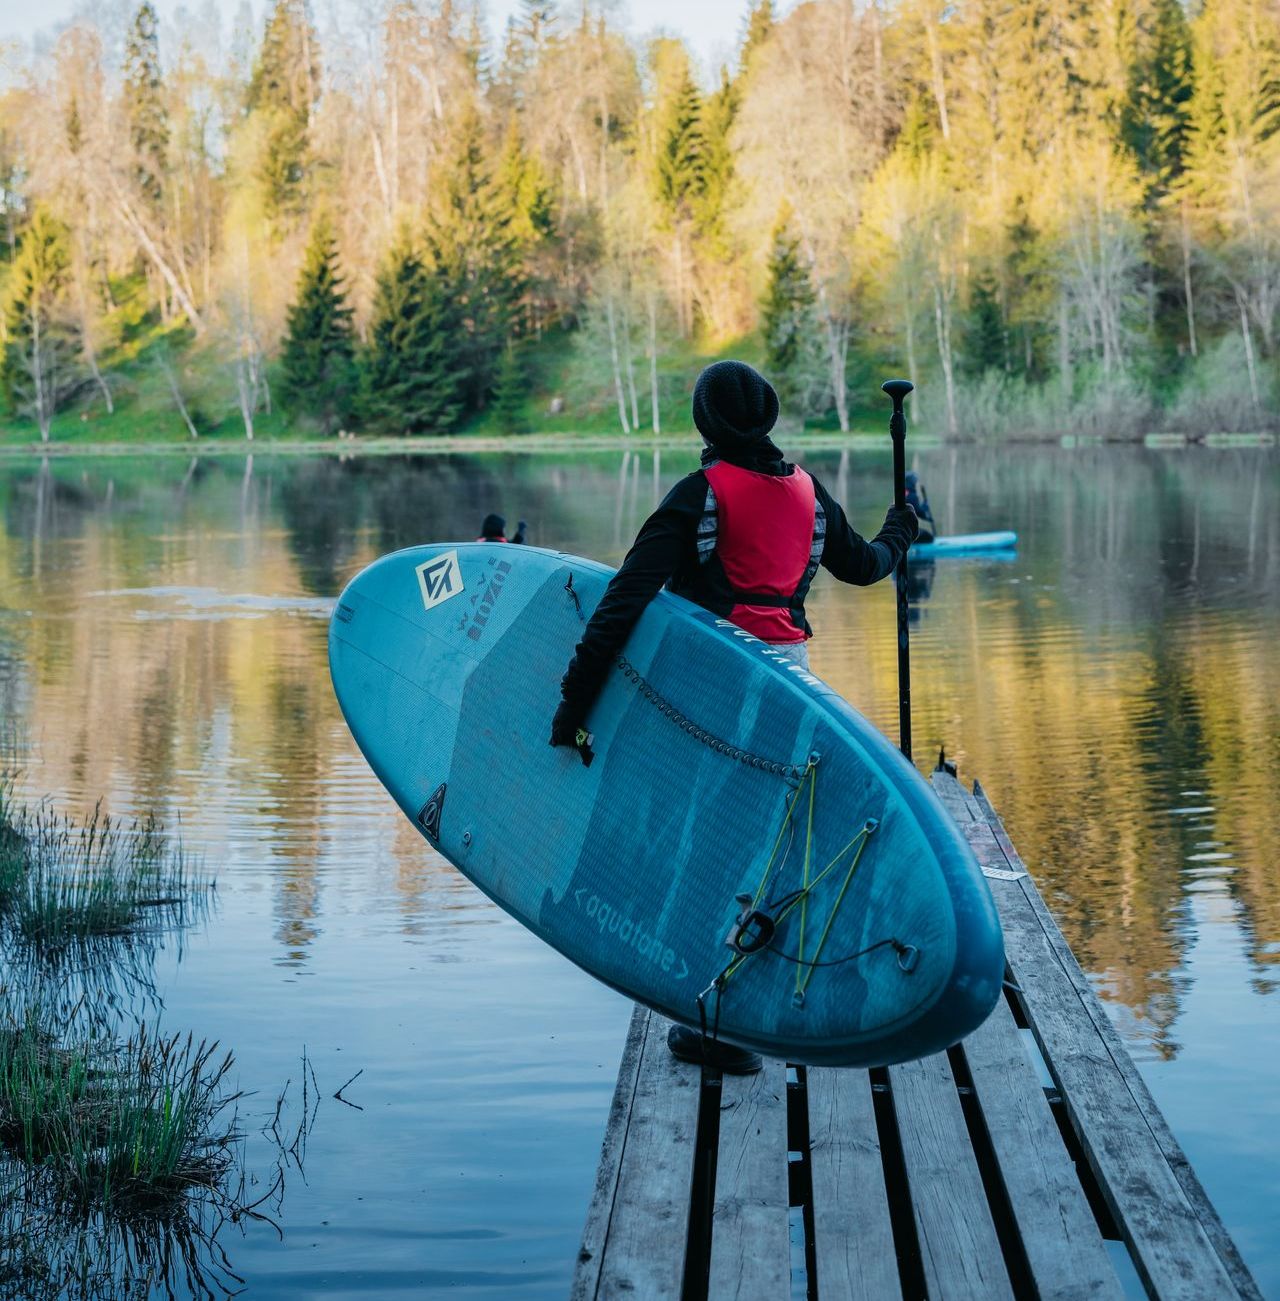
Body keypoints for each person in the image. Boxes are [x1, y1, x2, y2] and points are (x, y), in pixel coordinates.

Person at [548, 360, 918, 1074]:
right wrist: (898, 531)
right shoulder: (808, 494)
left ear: (705, 423)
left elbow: (621, 605)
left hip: (717, 690)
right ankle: (740, 1016)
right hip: (792, 688)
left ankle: (715, 1024)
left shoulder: (700, 495)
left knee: (702, 846)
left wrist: (572, 706)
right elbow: (869, 566)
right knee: (761, 846)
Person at [904, 471, 935, 544]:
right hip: (907, 533)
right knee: (929, 537)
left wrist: (928, 518)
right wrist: (925, 506)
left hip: (900, 531)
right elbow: (920, 513)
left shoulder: (902, 493)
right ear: (912, 482)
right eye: (915, 481)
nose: (916, 483)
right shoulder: (912, 496)